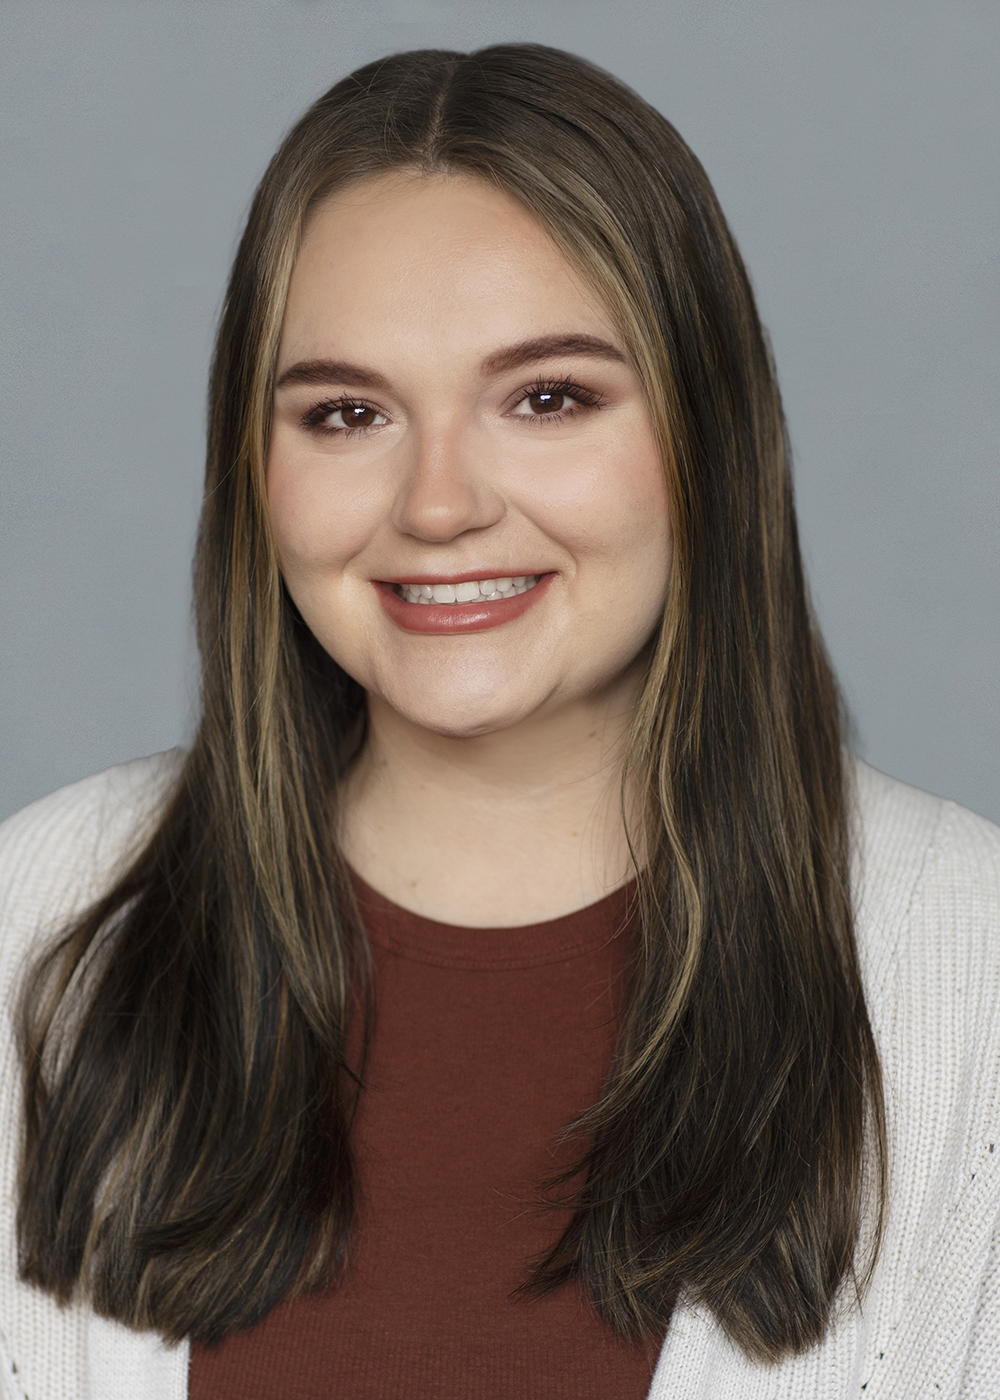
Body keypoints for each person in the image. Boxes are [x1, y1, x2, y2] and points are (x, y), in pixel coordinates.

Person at [1, 43, 997, 1400]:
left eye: (548, 398)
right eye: (346, 413)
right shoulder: (37, 937)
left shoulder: (973, 982)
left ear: (707, 433)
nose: (438, 503)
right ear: (258, 466)